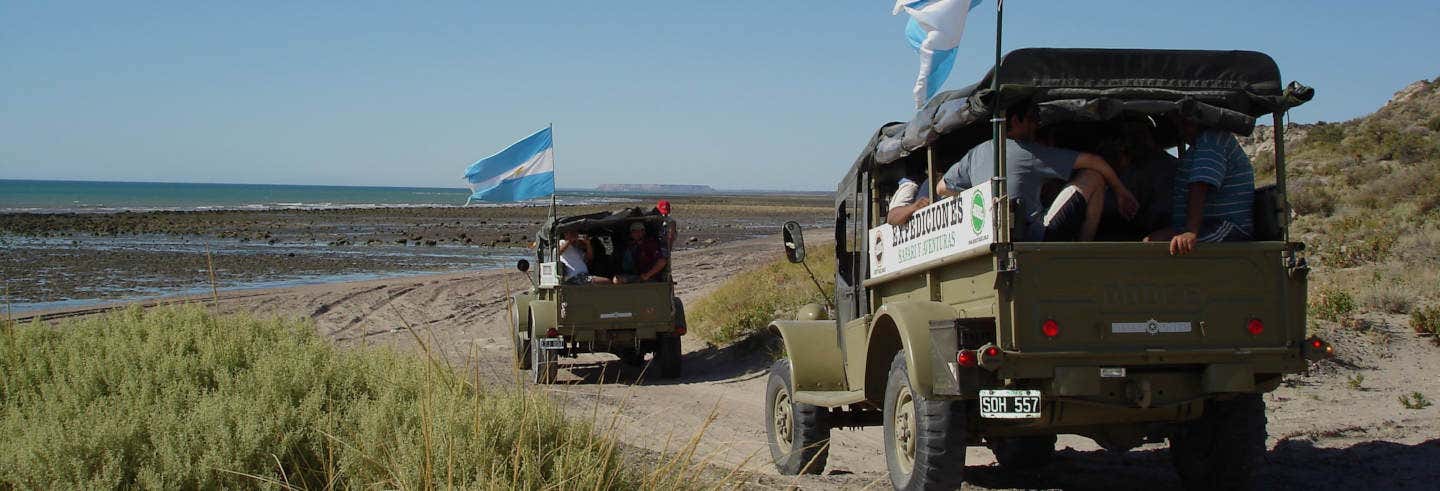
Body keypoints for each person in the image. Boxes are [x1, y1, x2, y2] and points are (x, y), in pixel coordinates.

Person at [937, 104, 1138, 241]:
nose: (1036, 126)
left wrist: (982, 197)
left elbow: (942, 187)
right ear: (1016, 121)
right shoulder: (1028, 151)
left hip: (990, 237)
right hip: (1034, 236)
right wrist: (1121, 192)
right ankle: (1084, 248)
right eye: (1032, 119)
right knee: (1093, 176)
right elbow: (1095, 162)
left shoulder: (977, 153)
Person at [1145, 115, 1255, 255]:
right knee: (1151, 242)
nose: (1182, 131)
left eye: (1186, 124)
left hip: (1226, 227)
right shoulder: (1199, 145)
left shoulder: (1211, 140)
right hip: (1206, 224)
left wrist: (1191, 231)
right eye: (1179, 126)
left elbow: (1200, 184)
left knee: (1164, 249)